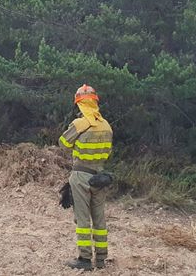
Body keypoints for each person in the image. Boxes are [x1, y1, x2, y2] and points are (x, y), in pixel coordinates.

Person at [58, 84, 113, 270]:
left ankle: (84, 259)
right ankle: (101, 259)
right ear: (95, 102)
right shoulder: (106, 125)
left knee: (82, 220)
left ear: (80, 104)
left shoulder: (79, 124)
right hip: (100, 177)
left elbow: (63, 143)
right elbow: (108, 151)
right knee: (99, 219)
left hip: (81, 175)